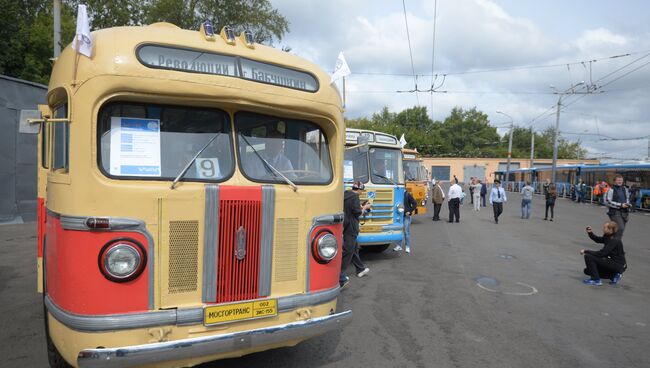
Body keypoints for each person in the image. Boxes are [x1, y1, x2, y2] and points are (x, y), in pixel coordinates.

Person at [339, 181, 372, 288]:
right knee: (348, 250)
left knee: (354, 248)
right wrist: (365, 207)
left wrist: (360, 206)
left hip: (346, 225)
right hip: (352, 227)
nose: (362, 192)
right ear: (359, 190)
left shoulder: (345, 194)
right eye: (362, 190)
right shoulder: (355, 197)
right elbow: (358, 213)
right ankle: (341, 276)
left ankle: (360, 269)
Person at [580, 221, 626, 286]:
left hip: (618, 265)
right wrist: (590, 233)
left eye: (605, 228)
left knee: (588, 256)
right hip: (611, 262)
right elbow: (598, 239)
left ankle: (596, 280)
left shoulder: (614, 240)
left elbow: (602, 253)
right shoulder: (608, 236)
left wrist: (586, 251)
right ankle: (613, 275)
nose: (603, 229)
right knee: (587, 271)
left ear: (610, 229)